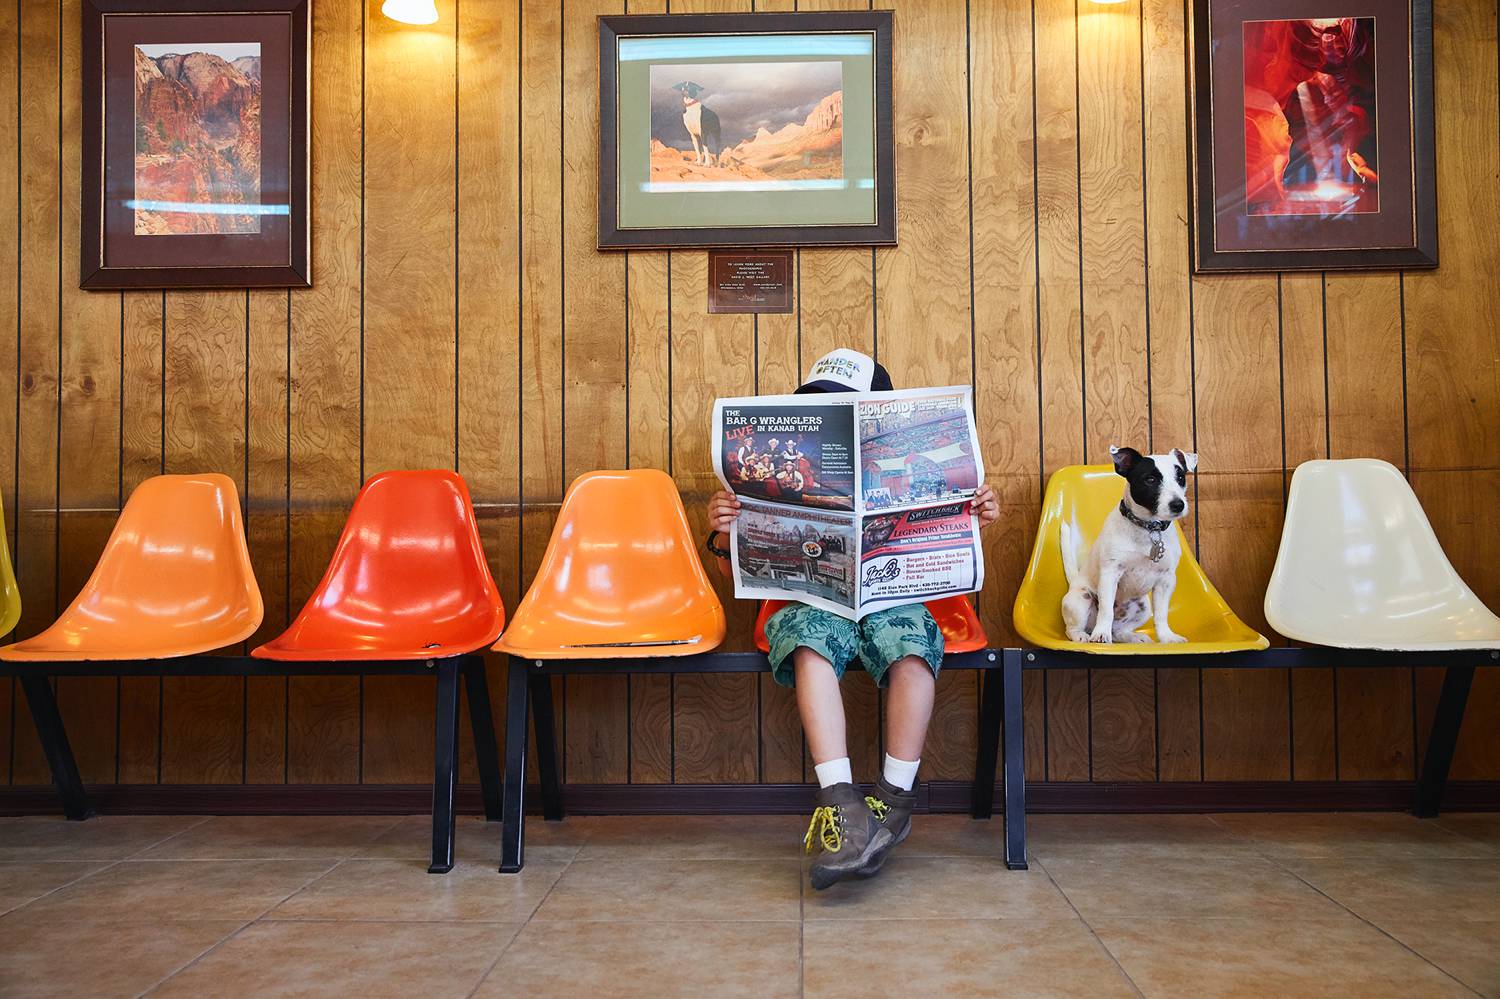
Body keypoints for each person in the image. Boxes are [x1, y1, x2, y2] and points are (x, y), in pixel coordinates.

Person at [706, 348, 1000, 890]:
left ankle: (894, 800)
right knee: (810, 643)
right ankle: (840, 801)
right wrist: (726, 533)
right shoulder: (776, 478)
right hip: (813, 598)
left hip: (895, 595)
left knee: (911, 644)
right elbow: (748, 584)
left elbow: (954, 549)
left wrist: (974, 509)